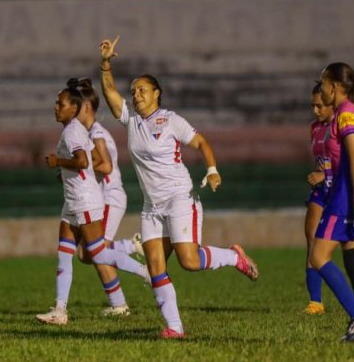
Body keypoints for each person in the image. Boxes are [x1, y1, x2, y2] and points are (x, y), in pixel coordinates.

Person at [98, 36, 258, 339]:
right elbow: (108, 91)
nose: (136, 95)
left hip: (179, 199)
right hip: (151, 207)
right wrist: (106, 63)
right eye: (133, 91)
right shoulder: (131, 120)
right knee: (155, 267)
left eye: (142, 90)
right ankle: (174, 327)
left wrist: (212, 170)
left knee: (189, 261)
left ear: (157, 94)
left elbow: (201, 142)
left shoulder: (171, 121)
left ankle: (234, 257)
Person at [36, 79, 150, 325]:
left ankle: (146, 273)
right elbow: (85, 161)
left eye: (61, 103)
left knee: (97, 253)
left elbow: (84, 162)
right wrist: (64, 172)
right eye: (56, 102)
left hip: (88, 201)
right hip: (73, 202)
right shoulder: (77, 130)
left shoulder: (75, 131)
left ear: (75, 108)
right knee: (66, 254)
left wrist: (59, 162)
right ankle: (60, 310)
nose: (56, 107)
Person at [309, 63, 354, 344]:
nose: (322, 89)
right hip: (352, 191)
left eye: (323, 84)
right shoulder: (344, 112)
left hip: (345, 194)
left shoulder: (346, 114)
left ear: (334, 87)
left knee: (318, 256)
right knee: (353, 260)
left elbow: (353, 158)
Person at [75, 78, 145, 316]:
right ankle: (131, 246)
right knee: (85, 254)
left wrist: (77, 166)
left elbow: (104, 167)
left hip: (108, 199)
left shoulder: (96, 134)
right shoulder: (88, 133)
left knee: (96, 252)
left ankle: (119, 305)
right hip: (103, 199)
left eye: (75, 106)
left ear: (85, 108)